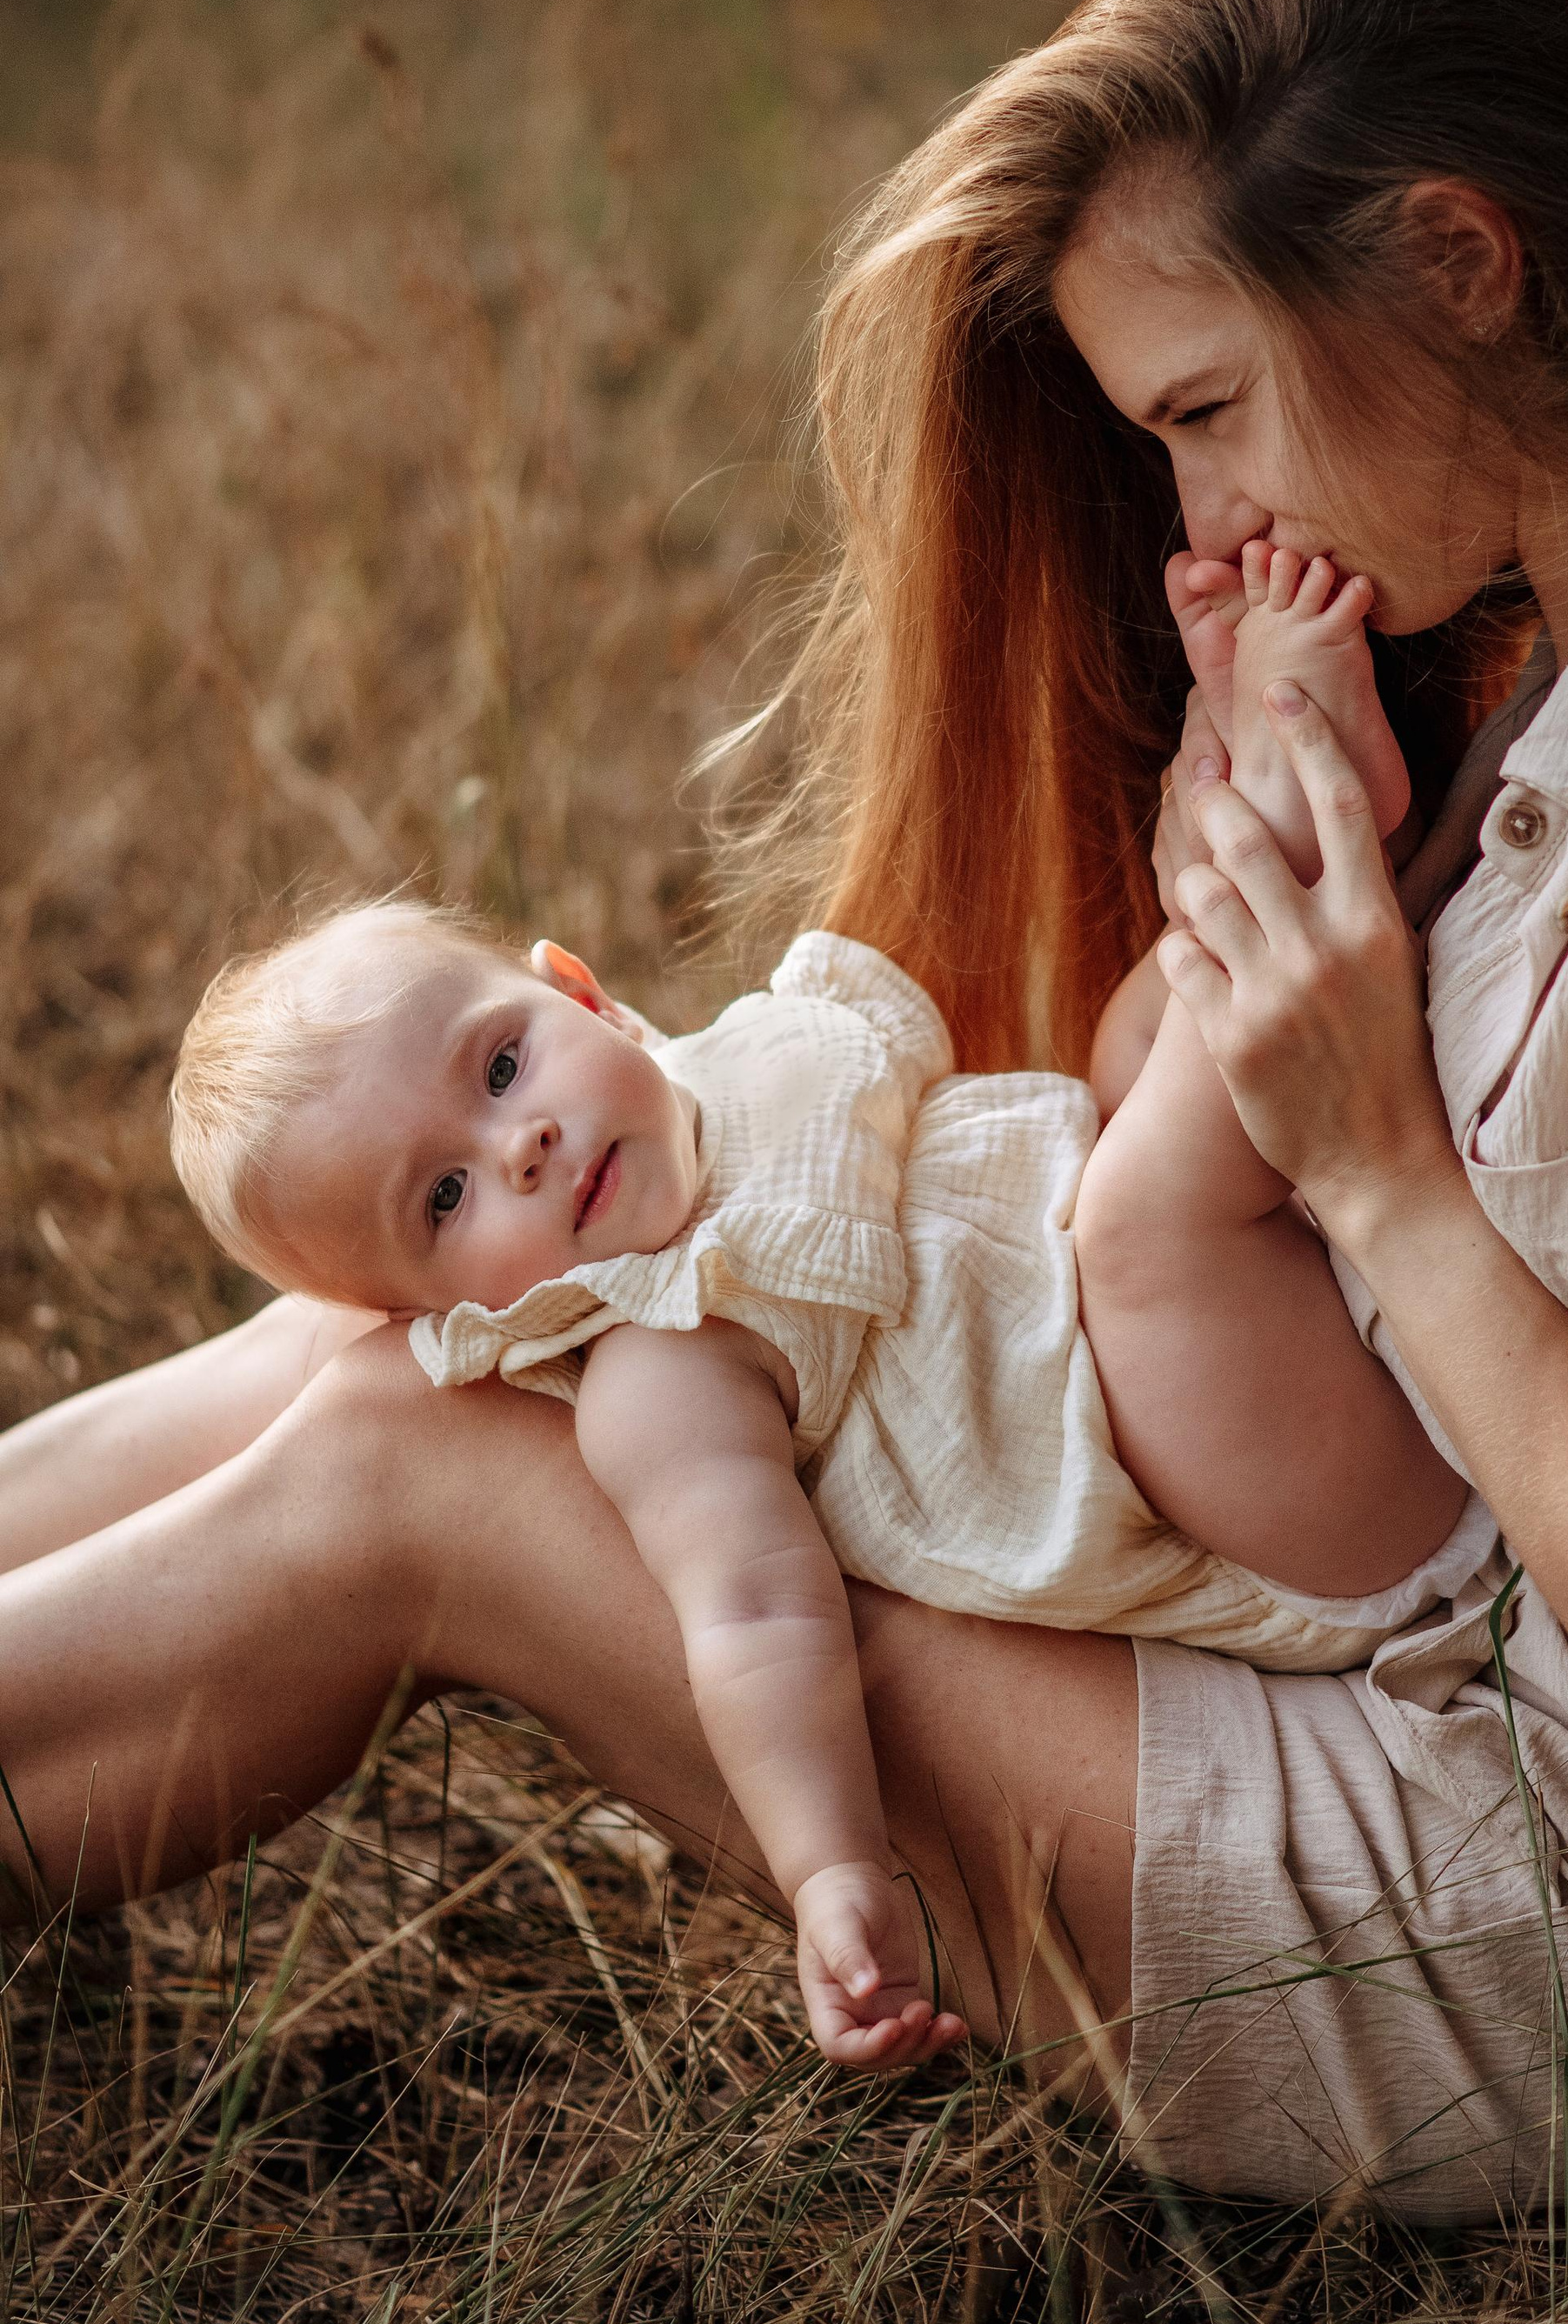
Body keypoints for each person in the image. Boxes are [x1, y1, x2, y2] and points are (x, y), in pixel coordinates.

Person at [1, 0, 1568, 2219]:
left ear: (1464, 260)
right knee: (414, 1353)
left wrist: (1367, 1166)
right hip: (1414, 1645)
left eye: (1209, 409)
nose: (1202, 511)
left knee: (429, 1470)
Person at [157, 545, 1479, 2068]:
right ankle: (1300, 824)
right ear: (431, 1317)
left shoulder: (753, 1062)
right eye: (445, 1202)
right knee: (1147, 1213)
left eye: (501, 1066)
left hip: (1277, 1324)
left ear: (576, 990)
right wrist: (833, 1863)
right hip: (1298, 1512)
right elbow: (754, 1615)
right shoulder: (667, 1363)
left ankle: (1258, 811)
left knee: (1128, 1060)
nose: (514, 1144)